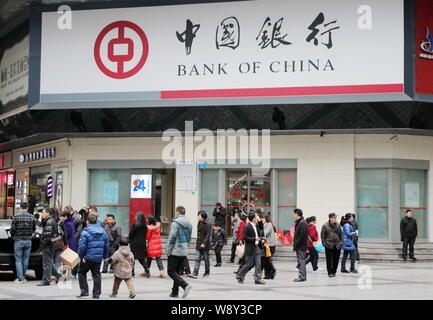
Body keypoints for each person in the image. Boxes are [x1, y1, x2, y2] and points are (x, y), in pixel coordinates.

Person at [77, 214, 109, 299]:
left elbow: (82, 246)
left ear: (87, 221)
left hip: (87, 257)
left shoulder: (85, 231)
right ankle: (96, 294)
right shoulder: (103, 231)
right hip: (98, 257)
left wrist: (80, 256)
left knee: (81, 272)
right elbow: (106, 245)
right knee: (96, 274)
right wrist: (105, 256)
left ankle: (84, 291)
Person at [167, 206, 193, 298]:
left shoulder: (175, 223)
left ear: (177, 212)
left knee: (170, 271)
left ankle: (185, 285)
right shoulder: (189, 223)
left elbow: (172, 238)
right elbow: (189, 238)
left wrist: (168, 250)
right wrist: (186, 247)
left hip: (175, 250)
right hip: (184, 249)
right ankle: (175, 292)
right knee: (176, 272)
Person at [236, 212, 265, 285]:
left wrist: (259, 220)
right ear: (253, 218)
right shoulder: (247, 226)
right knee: (248, 264)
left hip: (257, 247)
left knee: (258, 264)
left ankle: (257, 279)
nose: (257, 218)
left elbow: (262, 226)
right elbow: (245, 237)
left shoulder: (256, 225)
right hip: (250, 248)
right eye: (256, 217)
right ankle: (239, 275)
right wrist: (255, 238)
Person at [10, 202, 36, 283]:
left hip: (18, 240)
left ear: (20, 208)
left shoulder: (16, 216)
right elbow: (34, 229)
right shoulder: (32, 217)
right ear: (27, 208)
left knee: (18, 259)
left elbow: (12, 229)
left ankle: (20, 278)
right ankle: (23, 276)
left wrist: (13, 235)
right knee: (26, 259)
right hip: (28, 240)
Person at [38, 208, 64, 286]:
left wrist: (43, 243)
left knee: (46, 263)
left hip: (48, 245)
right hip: (50, 245)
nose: (41, 214)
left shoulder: (49, 221)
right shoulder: (51, 220)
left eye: (43, 212)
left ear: (48, 213)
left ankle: (46, 280)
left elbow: (48, 235)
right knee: (48, 262)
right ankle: (58, 275)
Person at [129, 212, 150, 278]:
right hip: (142, 243)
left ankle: (132, 272)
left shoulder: (135, 225)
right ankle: (146, 269)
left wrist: (129, 239)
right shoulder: (145, 226)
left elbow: (131, 233)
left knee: (132, 258)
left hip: (134, 243)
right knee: (141, 258)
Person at [321, 213, 343, 278]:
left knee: (336, 259)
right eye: (334, 217)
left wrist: (341, 242)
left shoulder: (338, 225)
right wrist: (324, 243)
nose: (335, 219)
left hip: (337, 245)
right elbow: (322, 235)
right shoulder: (325, 225)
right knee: (329, 260)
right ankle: (330, 272)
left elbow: (341, 235)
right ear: (330, 218)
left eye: (336, 217)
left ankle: (334, 271)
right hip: (328, 245)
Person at [192, 211, 211, 278]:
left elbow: (208, 235)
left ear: (203, 217)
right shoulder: (199, 223)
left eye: (199, 216)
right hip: (198, 244)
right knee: (197, 258)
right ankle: (195, 272)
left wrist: (204, 243)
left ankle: (207, 272)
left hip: (205, 245)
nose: (198, 217)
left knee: (206, 259)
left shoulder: (208, 224)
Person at [293, 208, 308, 282]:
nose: (293, 215)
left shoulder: (302, 223)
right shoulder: (299, 222)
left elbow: (302, 235)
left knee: (301, 261)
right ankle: (301, 276)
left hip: (301, 246)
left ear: (297, 214)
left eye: (294, 214)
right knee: (300, 261)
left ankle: (302, 276)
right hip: (300, 245)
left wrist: (297, 243)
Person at [263, 215, 276, 279]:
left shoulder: (268, 224)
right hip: (269, 245)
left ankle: (272, 270)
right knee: (266, 260)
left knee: (267, 260)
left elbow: (266, 233)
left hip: (269, 245)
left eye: (263, 218)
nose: (262, 219)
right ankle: (269, 274)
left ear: (266, 219)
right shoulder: (268, 224)